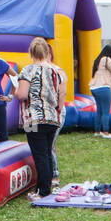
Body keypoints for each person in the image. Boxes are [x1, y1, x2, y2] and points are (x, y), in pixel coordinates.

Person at [17, 36, 67, 200]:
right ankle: (42, 187)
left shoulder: (28, 70)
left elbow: (22, 94)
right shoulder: (56, 71)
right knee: (46, 152)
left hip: (33, 118)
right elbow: (61, 93)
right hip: (52, 117)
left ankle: (44, 191)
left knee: (39, 154)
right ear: (46, 52)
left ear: (31, 52)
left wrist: (15, 91)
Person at [89, 44, 111, 137]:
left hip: (94, 88)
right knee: (106, 111)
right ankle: (105, 132)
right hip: (103, 88)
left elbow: (101, 73)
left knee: (99, 110)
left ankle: (97, 131)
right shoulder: (107, 59)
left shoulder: (98, 60)